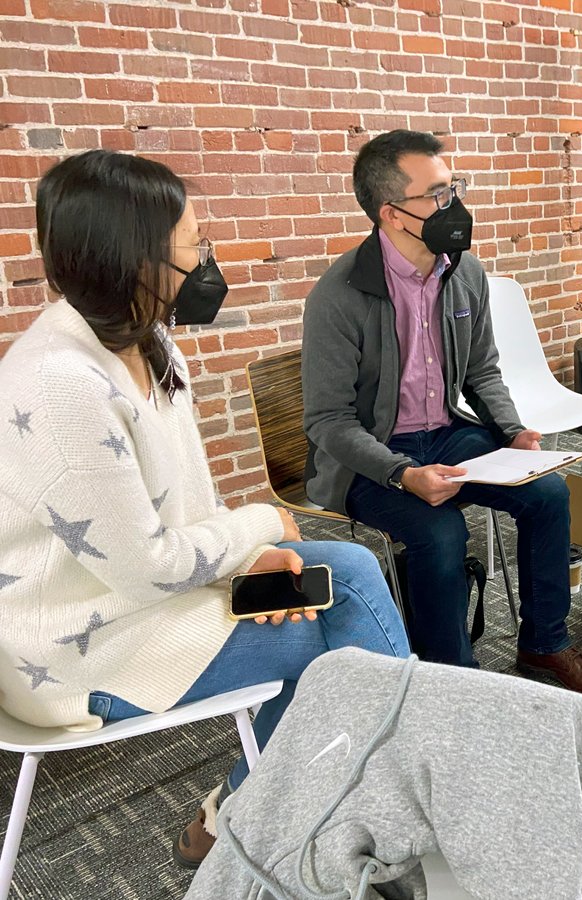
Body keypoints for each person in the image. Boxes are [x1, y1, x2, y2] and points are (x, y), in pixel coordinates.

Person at [0, 150, 410, 868]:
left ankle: (271, 808)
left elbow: (187, 502)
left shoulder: (148, 340)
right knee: (335, 649)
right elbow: (147, 568)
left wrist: (246, 558)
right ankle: (356, 808)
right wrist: (260, 525)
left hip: (145, 602)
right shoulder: (59, 386)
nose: (208, 262)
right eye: (196, 247)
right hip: (82, 647)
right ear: (133, 260)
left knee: (346, 570)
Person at [301, 129, 582, 693]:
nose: (455, 206)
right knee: (441, 535)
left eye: (454, 189)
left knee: (548, 494)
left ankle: (545, 644)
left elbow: (482, 372)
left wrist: (514, 432)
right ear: (392, 213)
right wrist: (402, 473)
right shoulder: (339, 293)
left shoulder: (463, 272)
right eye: (439, 195)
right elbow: (328, 422)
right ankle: (456, 685)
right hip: (370, 461)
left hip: (444, 436)